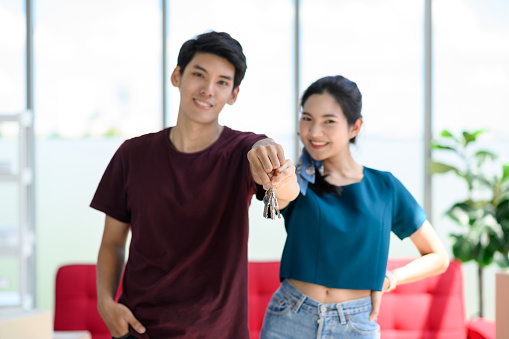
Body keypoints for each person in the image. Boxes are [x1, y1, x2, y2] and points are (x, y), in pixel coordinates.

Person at [90, 31, 299, 339]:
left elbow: (285, 193)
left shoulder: (244, 150)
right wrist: (105, 304)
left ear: (234, 94)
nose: (207, 90)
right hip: (138, 329)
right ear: (177, 76)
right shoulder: (132, 155)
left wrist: (278, 170)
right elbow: (112, 242)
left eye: (222, 82)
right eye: (198, 75)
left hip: (218, 331)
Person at [259, 75, 450, 339]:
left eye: (328, 121)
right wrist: (279, 177)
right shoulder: (296, 178)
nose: (314, 132)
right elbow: (282, 196)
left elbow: (439, 257)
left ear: (355, 127)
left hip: (355, 325)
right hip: (289, 317)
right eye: (307, 119)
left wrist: (388, 280)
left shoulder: (385, 187)